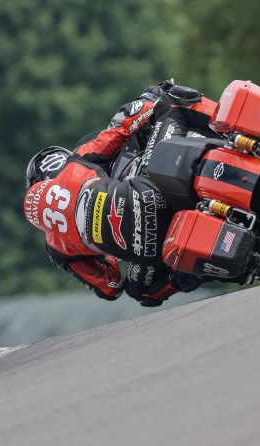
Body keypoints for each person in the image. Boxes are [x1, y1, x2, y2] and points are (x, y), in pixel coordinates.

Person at [23, 81, 217, 306]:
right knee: (175, 104)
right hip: (152, 188)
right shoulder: (77, 163)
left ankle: (208, 265)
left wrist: (101, 241)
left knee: (141, 291)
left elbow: (111, 286)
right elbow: (121, 127)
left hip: (151, 250)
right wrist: (151, 96)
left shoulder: (57, 247)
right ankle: (230, 127)